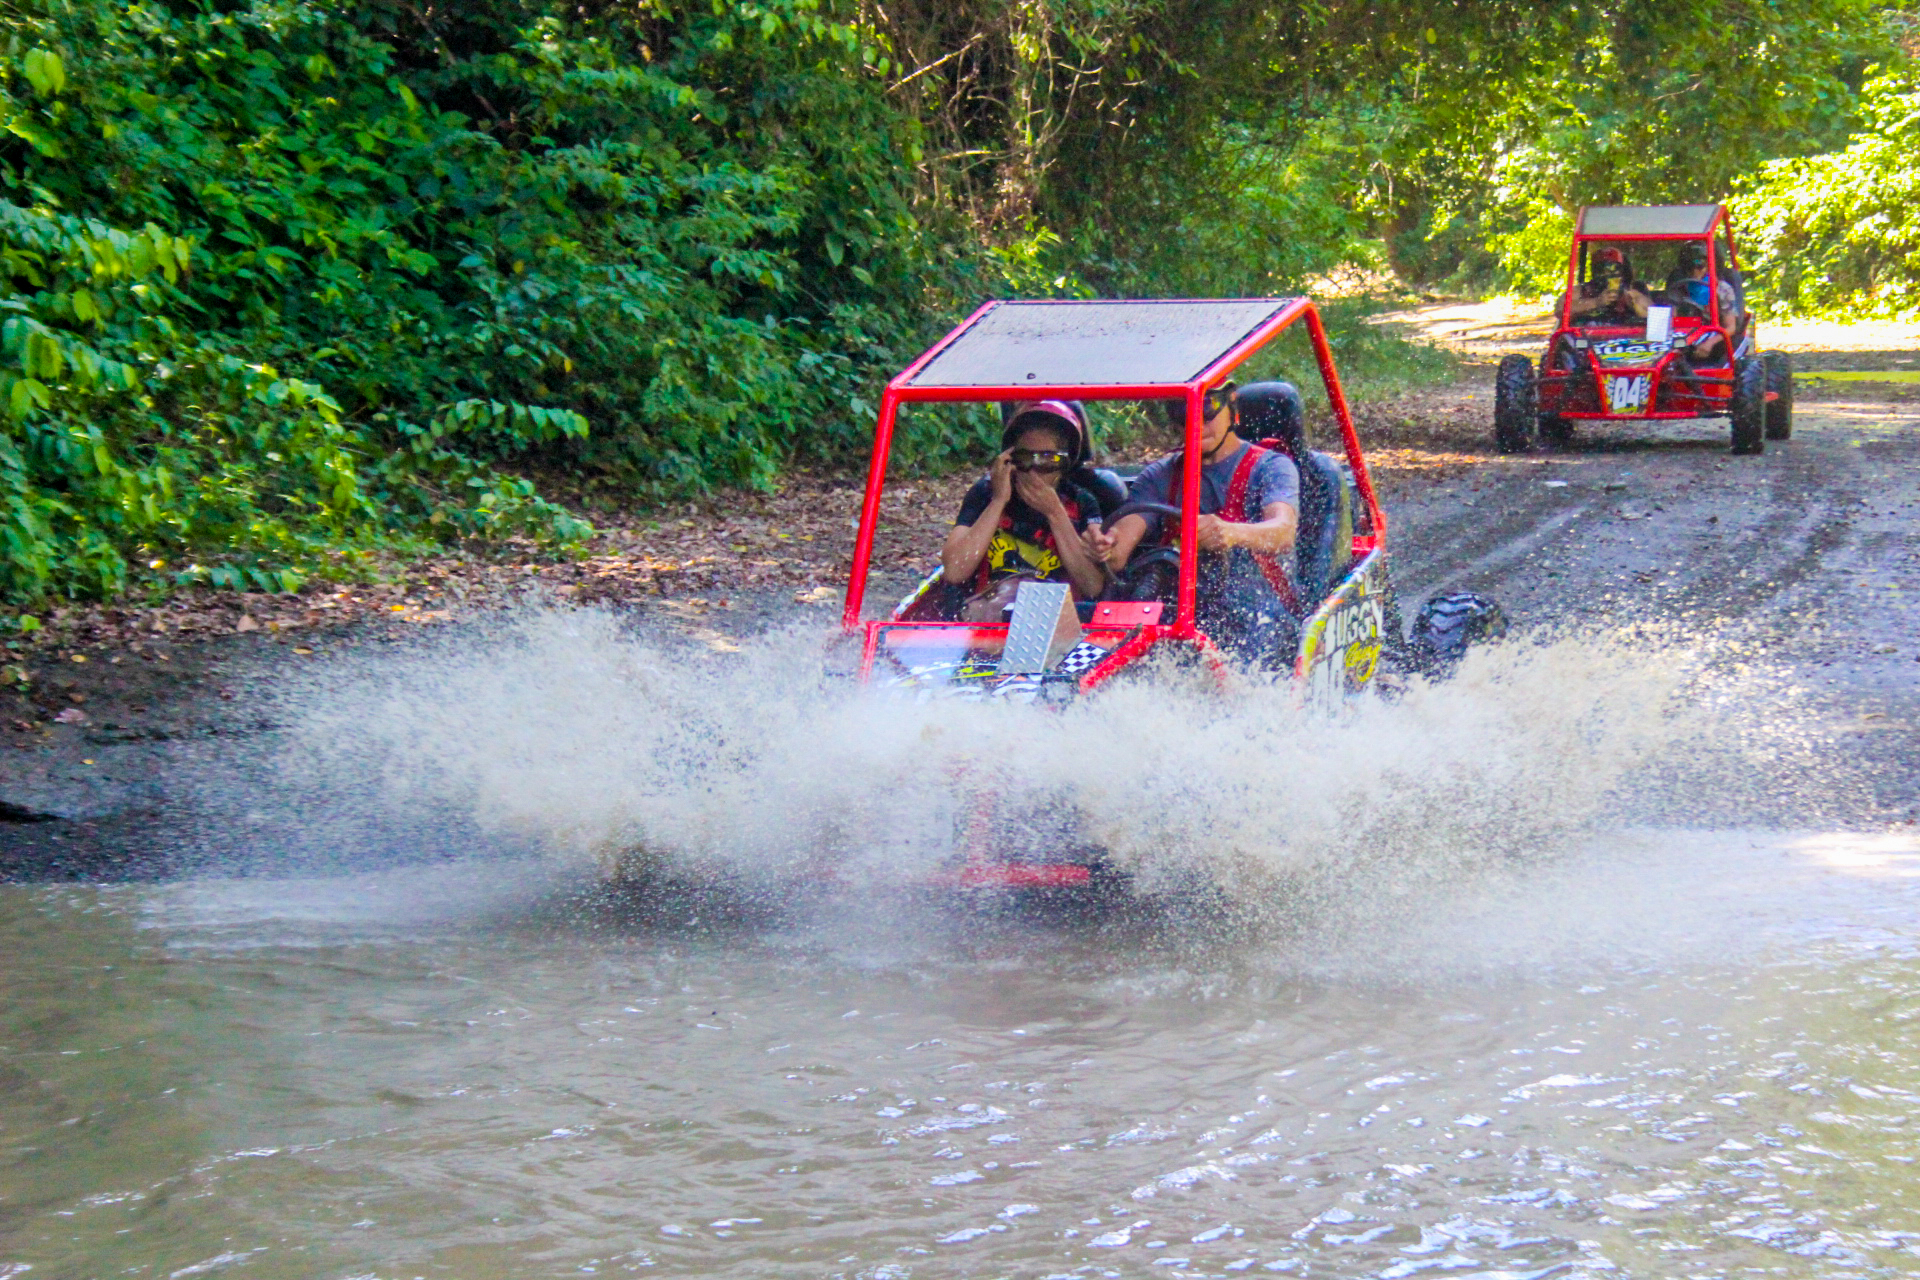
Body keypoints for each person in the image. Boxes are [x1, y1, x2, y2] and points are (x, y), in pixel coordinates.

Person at [1093, 383, 1300, 663]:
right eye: (1185, 414)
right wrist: (1104, 544)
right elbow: (1117, 554)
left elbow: (1282, 533)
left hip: (1257, 612)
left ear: (1232, 408)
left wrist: (1230, 531)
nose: (1198, 425)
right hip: (1176, 613)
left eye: (1208, 411)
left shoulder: (1270, 466)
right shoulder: (1160, 476)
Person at [941, 401, 1110, 621]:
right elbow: (955, 571)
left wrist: (1055, 514)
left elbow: (1092, 586)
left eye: (1049, 459)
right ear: (1009, 460)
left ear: (1065, 463)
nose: (1034, 472)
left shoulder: (1081, 501)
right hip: (989, 616)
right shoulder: (985, 493)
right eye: (1025, 459)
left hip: (1054, 621)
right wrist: (999, 501)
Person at [1664, 242, 1741, 363]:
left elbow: (1731, 327)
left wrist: (1710, 343)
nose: (1695, 272)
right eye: (1690, 266)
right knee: (1672, 348)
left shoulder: (1723, 289)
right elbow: (1671, 319)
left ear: (1710, 266)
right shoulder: (1679, 288)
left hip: (1713, 338)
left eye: (1699, 266)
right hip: (1685, 338)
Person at [1566, 247, 1652, 326]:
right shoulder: (1584, 290)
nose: (1608, 277)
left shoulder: (1632, 291)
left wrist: (1631, 299)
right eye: (1602, 271)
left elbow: (1654, 317)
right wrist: (1596, 302)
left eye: (1615, 271)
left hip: (1626, 337)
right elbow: (1561, 310)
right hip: (1589, 338)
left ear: (1622, 273)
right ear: (1594, 273)